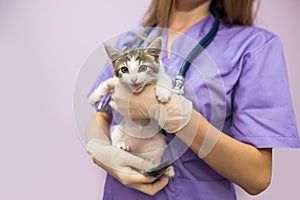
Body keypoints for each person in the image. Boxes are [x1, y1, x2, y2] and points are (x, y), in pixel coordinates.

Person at [85, 0, 300, 199]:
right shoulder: (131, 41)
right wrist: (101, 150)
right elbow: (101, 116)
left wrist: (179, 118)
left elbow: (257, 177)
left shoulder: (254, 46)